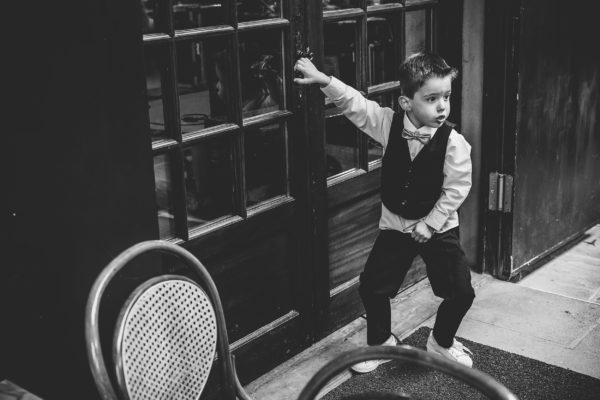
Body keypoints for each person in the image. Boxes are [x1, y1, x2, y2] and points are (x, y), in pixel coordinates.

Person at [294, 52, 475, 373]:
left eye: (446, 97)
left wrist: (431, 224)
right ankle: (381, 342)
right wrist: (325, 81)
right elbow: (357, 106)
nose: (442, 106)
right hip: (397, 225)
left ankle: (442, 341)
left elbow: (457, 189)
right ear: (406, 103)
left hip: (439, 228)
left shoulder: (454, 142)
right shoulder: (389, 124)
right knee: (372, 286)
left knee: (460, 292)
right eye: (432, 98)